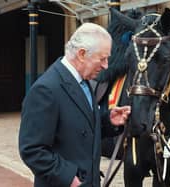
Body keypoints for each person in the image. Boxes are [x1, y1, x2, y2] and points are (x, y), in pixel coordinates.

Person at [19, 22, 131, 187]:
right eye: (102, 58)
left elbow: (77, 127)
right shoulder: (45, 90)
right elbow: (32, 149)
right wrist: (70, 178)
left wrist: (108, 120)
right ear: (81, 54)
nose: (106, 65)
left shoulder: (84, 81)